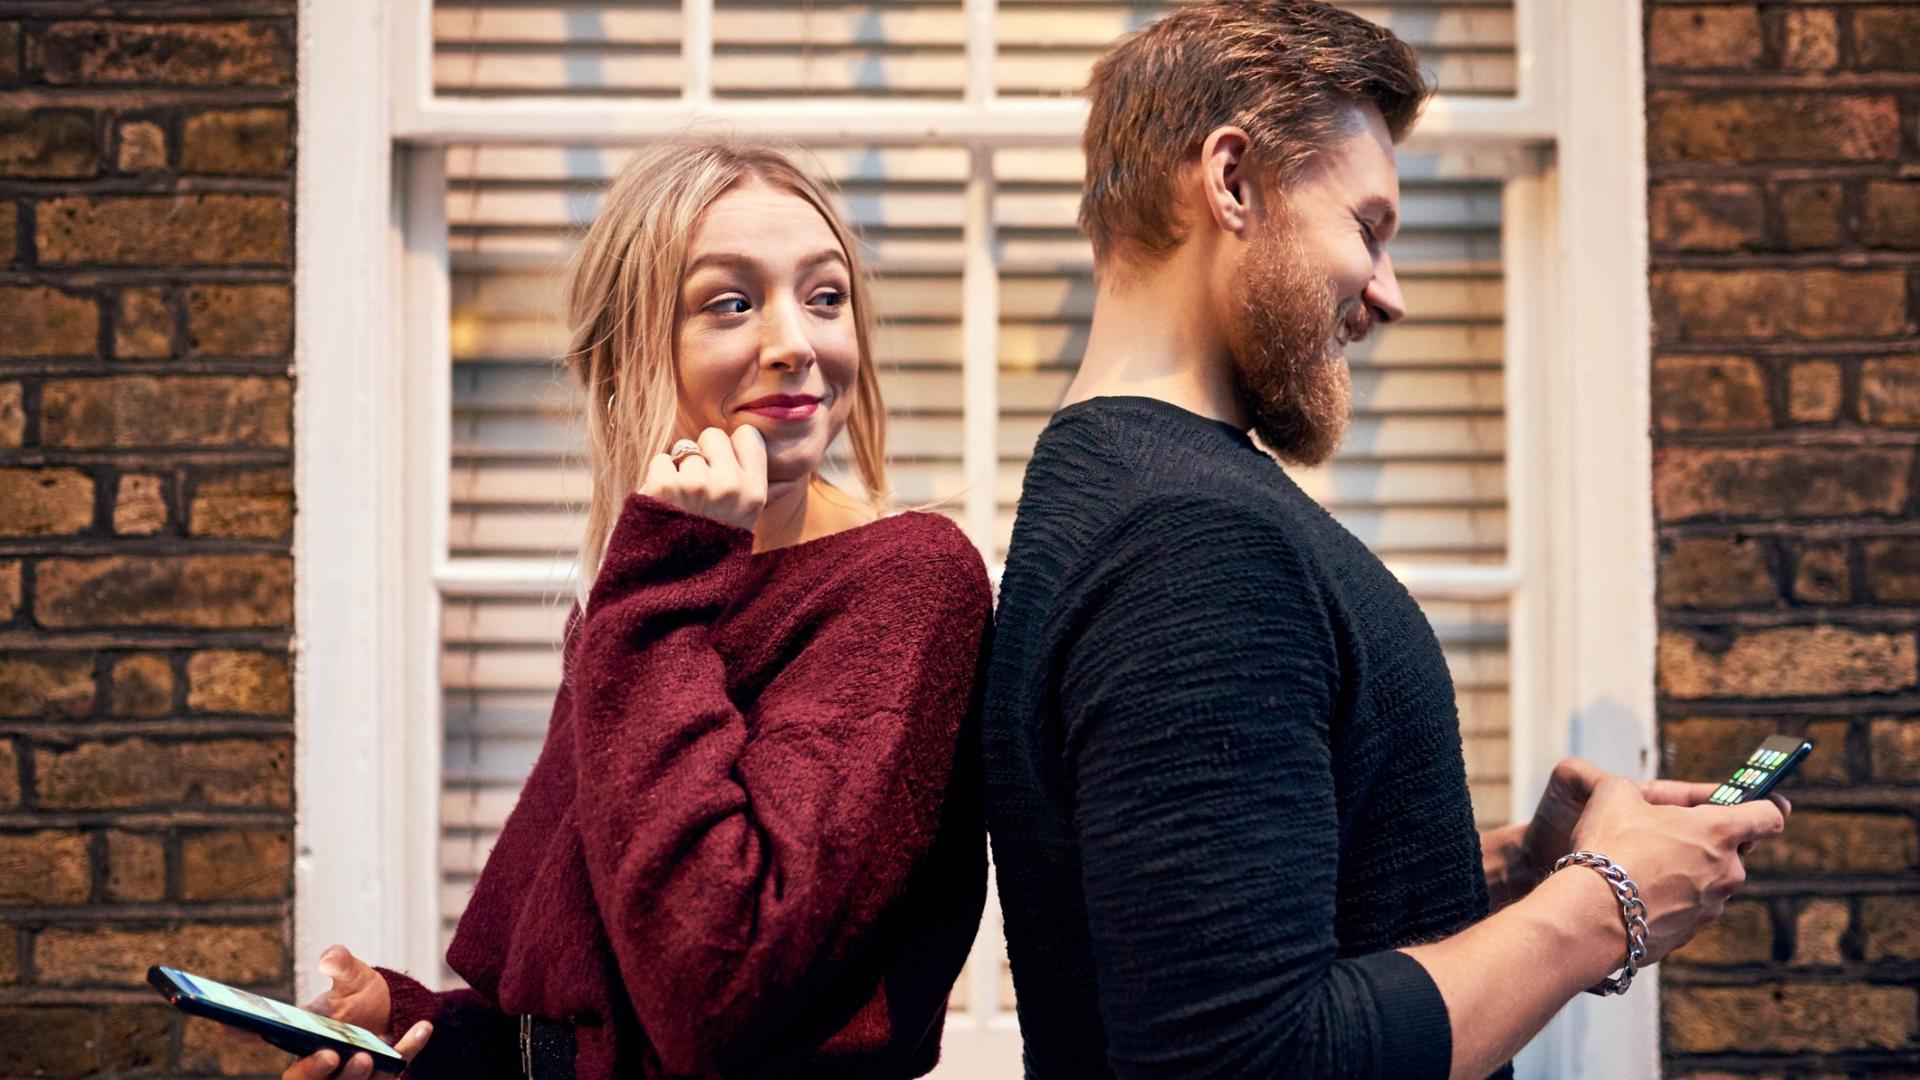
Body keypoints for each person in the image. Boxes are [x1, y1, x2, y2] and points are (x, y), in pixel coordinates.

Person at [979, 3, 1788, 1079]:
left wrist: (1506, 875)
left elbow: (1216, 928)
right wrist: (1606, 906)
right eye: (1368, 227)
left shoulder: (1117, 486)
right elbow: (1245, 1059)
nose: (1388, 294)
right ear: (1232, 183)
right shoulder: (1189, 543)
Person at [282, 142, 993, 1080]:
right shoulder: (654, 593)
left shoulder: (902, 580)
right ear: (624, 358)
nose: (796, 342)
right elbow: (596, 1007)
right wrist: (418, 1030)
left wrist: (659, 586)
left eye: (826, 297)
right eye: (732, 303)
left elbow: (720, 993)